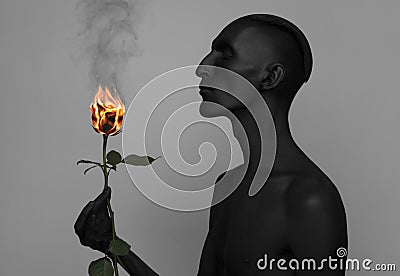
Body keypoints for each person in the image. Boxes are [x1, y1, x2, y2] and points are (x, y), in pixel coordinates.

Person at [75, 14, 348, 275]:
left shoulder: (310, 199)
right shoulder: (228, 184)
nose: (201, 67)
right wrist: (111, 244)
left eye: (225, 55)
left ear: (268, 78)